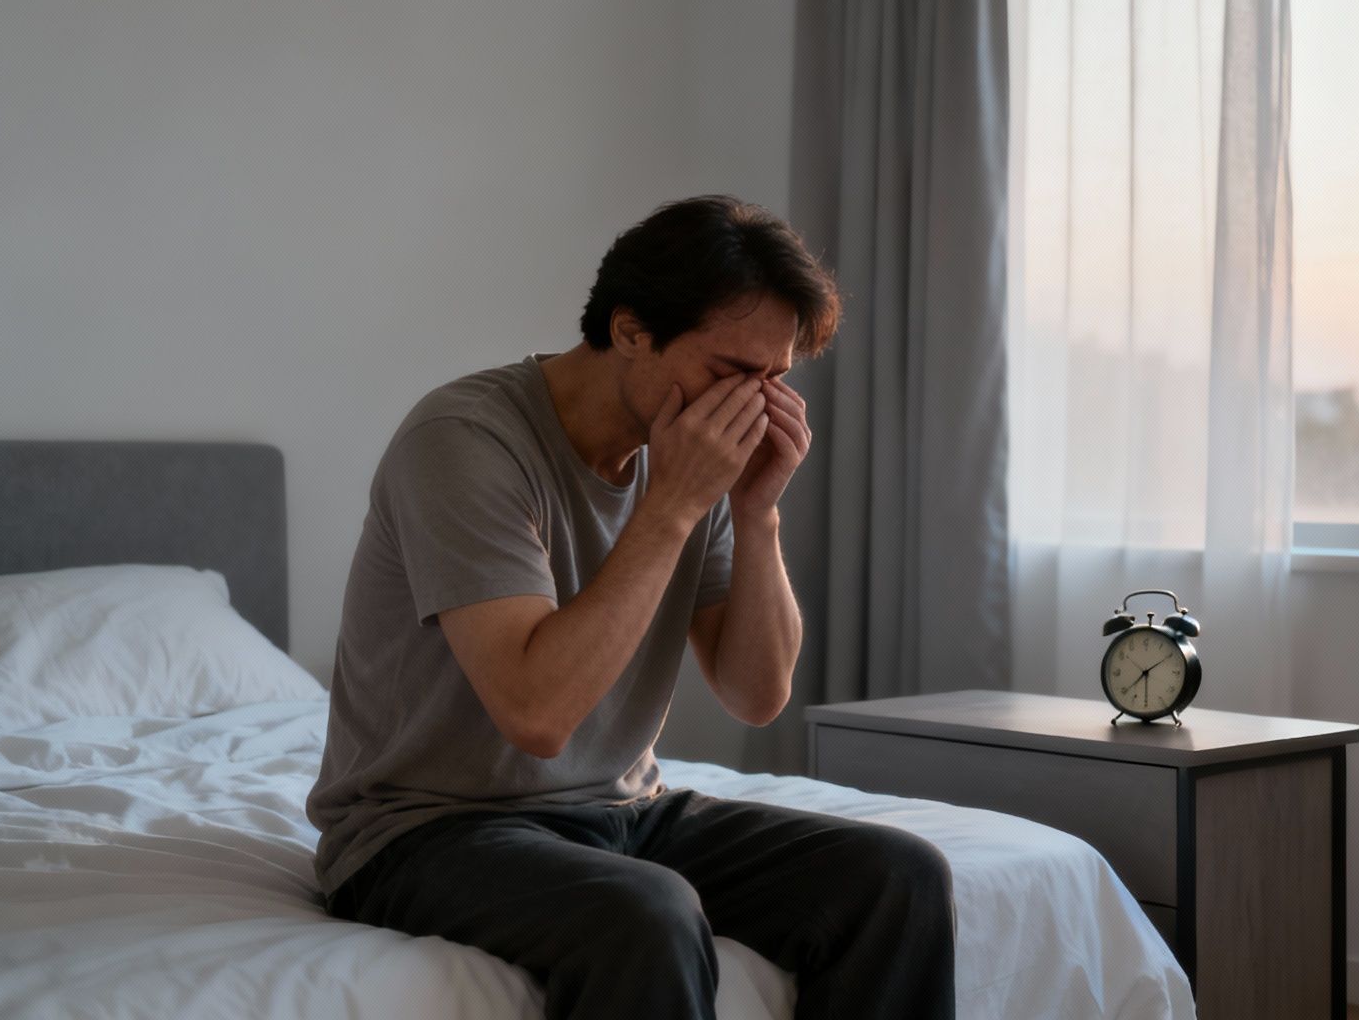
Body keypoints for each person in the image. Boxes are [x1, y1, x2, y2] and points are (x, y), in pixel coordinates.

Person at [306, 195, 956, 1019]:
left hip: (622, 810)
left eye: (775, 379)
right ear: (630, 331)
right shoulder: (464, 440)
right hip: (423, 831)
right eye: (732, 372)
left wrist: (757, 512)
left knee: (899, 877)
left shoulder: (690, 453)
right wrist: (673, 506)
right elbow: (537, 716)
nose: (753, 407)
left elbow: (756, 694)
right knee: (649, 913)